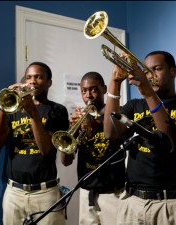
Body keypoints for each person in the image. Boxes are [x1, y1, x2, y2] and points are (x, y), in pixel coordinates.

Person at [103, 51, 176, 224]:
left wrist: (149, 94)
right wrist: (115, 82)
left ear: (173, 71)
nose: (151, 75)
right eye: (147, 71)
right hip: (132, 200)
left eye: (157, 68)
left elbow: (171, 142)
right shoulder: (135, 105)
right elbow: (110, 133)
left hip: (169, 202)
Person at [0, 62, 69, 225]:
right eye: (29, 77)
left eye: (38, 77)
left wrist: (32, 111)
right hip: (14, 193)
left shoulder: (57, 110)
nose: (32, 81)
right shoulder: (14, 109)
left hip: (45, 194)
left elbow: (47, 151)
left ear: (49, 82)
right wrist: (3, 103)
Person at [61, 72, 125, 225]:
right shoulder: (79, 118)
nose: (88, 95)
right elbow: (66, 161)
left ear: (104, 89)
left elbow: (121, 137)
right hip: (86, 192)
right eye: (84, 91)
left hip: (113, 192)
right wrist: (71, 129)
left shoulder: (117, 113)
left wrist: (96, 124)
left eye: (93, 89)